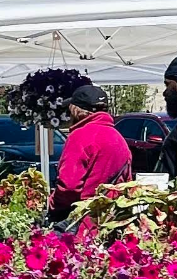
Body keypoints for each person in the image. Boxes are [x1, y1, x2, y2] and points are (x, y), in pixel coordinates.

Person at [48, 85, 134, 223]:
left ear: (76, 110)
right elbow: (127, 183)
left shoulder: (80, 136)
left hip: (83, 223)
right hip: (112, 220)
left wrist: (51, 204)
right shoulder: (119, 138)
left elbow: (69, 187)